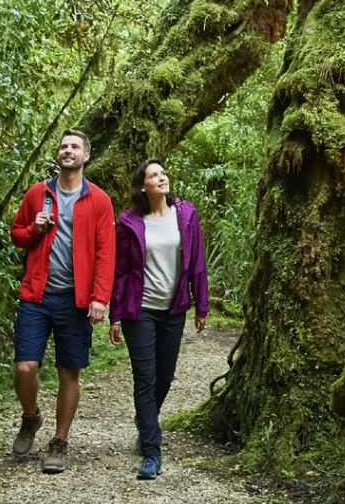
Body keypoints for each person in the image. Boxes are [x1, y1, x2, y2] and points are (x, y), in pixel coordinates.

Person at [8, 130, 115, 474]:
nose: (68, 150)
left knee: (69, 372)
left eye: (75, 147)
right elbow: (17, 235)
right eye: (64, 146)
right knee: (25, 367)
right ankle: (30, 418)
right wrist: (34, 229)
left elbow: (105, 253)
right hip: (36, 296)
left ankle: (59, 442)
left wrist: (100, 297)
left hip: (75, 301)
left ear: (86, 156)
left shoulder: (98, 200)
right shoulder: (39, 193)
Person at [108, 159, 209, 480]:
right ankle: (152, 450)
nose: (161, 177)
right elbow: (120, 271)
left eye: (163, 173)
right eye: (154, 175)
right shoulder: (129, 223)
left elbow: (198, 264)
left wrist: (202, 305)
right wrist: (115, 314)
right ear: (143, 186)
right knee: (145, 378)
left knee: (165, 376)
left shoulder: (186, 215)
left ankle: (145, 421)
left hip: (174, 309)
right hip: (140, 312)